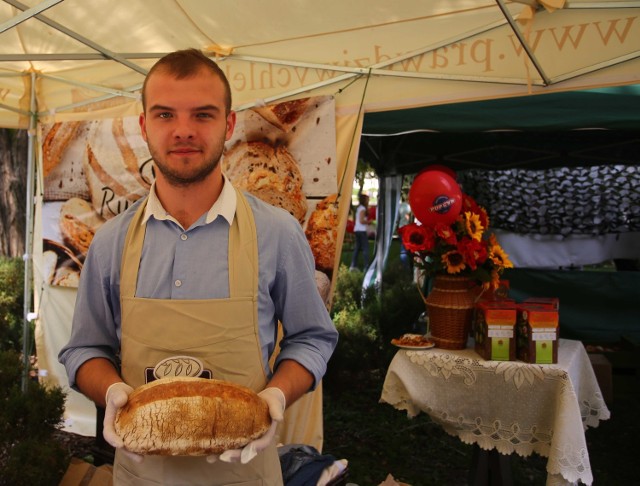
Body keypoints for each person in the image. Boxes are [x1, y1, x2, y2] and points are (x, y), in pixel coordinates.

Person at [58, 48, 338, 486]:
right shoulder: (111, 242)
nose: (183, 131)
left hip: (247, 477)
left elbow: (312, 339)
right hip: (141, 477)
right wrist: (111, 392)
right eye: (166, 115)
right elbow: (83, 350)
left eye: (203, 115)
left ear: (228, 125)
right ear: (145, 124)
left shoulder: (278, 234)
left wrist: (276, 396)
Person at [350, 193, 371, 270]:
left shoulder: (359, 208)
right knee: (366, 248)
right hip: (362, 230)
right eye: (367, 199)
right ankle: (366, 266)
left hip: (357, 230)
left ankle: (353, 265)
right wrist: (369, 222)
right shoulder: (363, 209)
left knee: (357, 248)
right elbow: (361, 220)